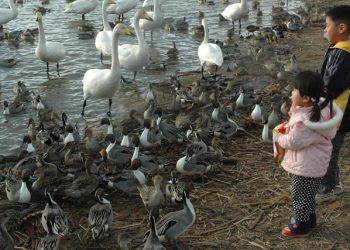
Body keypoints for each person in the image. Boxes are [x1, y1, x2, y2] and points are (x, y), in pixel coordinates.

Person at [275, 71, 343, 237]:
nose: (291, 93)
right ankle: (310, 218)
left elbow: (294, 141)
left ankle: (301, 225)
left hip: (306, 166)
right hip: (314, 165)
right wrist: (294, 112)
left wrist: (279, 137)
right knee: (308, 194)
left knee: (299, 195)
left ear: (305, 98)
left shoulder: (306, 123)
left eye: (294, 90)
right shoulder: (317, 111)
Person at [318, 5, 350, 200]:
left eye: (326, 25)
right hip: (341, 111)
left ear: (341, 28)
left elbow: (332, 84)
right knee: (332, 147)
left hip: (339, 112)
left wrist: (313, 94)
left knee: (328, 148)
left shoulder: (343, 53)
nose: (324, 30)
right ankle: (334, 182)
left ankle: (328, 188)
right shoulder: (342, 49)